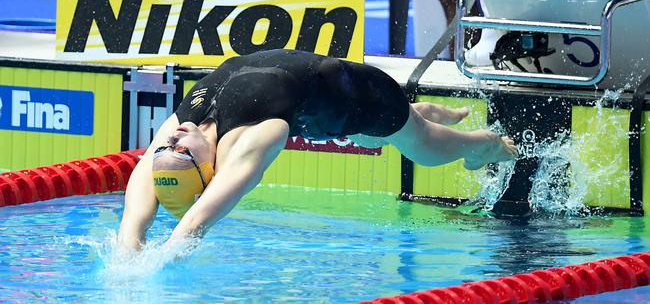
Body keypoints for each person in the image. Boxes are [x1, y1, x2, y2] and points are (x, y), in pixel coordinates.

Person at [117, 49, 518, 251]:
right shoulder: (258, 136)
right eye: (179, 151)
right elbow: (204, 213)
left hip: (347, 96)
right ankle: (476, 141)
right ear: (211, 165)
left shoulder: (193, 119)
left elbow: (142, 185)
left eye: (165, 146)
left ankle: (452, 131)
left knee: (415, 142)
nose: (171, 140)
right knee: (415, 145)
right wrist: (173, 249)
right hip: (357, 99)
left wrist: (131, 239)